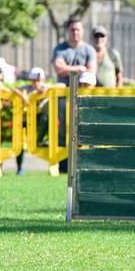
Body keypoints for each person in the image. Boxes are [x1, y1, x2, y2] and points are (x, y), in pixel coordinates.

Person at [51, 17, 97, 173]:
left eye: (78, 29)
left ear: (82, 31)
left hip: (83, 95)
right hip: (64, 96)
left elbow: (91, 71)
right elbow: (59, 69)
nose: (75, 32)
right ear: (67, 31)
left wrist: (70, 69)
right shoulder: (60, 49)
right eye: (72, 29)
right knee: (64, 128)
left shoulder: (89, 50)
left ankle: (87, 162)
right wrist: (80, 68)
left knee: (85, 127)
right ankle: (64, 163)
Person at [12, 67, 65, 175]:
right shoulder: (27, 88)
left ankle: (38, 141)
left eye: (38, 80)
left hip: (41, 120)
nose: (36, 83)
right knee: (20, 143)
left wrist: (47, 87)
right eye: (33, 80)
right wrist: (23, 97)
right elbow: (13, 89)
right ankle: (19, 168)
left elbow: (63, 86)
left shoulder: (47, 87)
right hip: (27, 121)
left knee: (48, 120)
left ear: (43, 80)